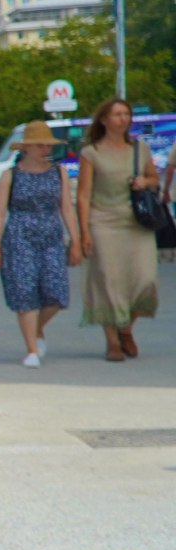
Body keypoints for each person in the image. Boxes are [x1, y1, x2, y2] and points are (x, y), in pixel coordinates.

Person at [75, 97, 161, 361]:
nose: (123, 119)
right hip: (103, 222)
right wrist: (84, 233)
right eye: (117, 114)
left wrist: (144, 181)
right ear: (104, 120)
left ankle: (126, 329)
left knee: (145, 280)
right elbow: (83, 195)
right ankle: (112, 342)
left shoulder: (140, 149)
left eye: (126, 114)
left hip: (136, 222)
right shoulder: (92, 153)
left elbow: (155, 180)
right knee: (109, 282)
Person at [0, 121, 73, 367]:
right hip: (19, 236)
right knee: (25, 291)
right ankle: (32, 349)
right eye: (40, 144)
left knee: (57, 293)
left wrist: (76, 240)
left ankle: (35, 328)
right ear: (26, 147)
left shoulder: (59, 172)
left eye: (47, 144)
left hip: (51, 235)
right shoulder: (11, 175)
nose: (45, 149)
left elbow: (66, 207)